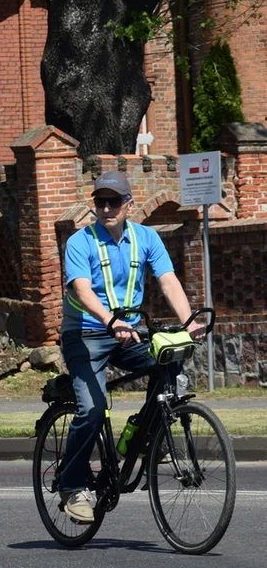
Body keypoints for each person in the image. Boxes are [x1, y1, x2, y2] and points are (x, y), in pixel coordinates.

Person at [58, 171, 205, 524]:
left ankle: (140, 435)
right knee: (92, 411)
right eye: (99, 202)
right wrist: (110, 321)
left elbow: (168, 281)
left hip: (128, 333)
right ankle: (73, 484)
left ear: (129, 204)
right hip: (86, 336)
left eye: (113, 201)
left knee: (168, 362)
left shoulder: (146, 238)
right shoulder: (80, 242)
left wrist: (188, 323)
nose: (106, 208)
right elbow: (82, 290)